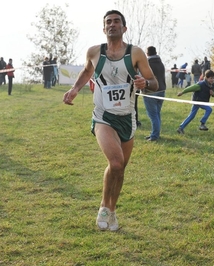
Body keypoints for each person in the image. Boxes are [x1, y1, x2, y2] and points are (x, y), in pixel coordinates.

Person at [62, 10, 158, 231]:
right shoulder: (95, 52)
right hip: (103, 116)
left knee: (120, 168)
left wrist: (145, 83)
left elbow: (155, 83)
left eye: (117, 22)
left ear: (124, 28)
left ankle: (112, 210)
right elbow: (87, 72)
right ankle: (104, 207)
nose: (112, 25)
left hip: (128, 117)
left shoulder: (136, 53)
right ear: (104, 29)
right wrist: (75, 89)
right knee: (115, 162)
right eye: (108, 22)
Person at [176, 70, 214, 134]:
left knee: (191, 116)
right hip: (197, 101)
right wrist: (182, 92)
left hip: (203, 101)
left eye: (213, 78)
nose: (212, 80)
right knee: (209, 109)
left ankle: (181, 128)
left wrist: (213, 94)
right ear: (206, 78)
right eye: (211, 78)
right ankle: (202, 124)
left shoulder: (211, 85)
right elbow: (190, 88)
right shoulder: (200, 85)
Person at [143, 46, 166, 141]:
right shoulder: (161, 63)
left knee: (153, 115)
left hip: (150, 91)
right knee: (157, 114)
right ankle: (155, 133)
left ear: (147, 53)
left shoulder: (146, 63)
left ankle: (154, 136)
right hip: (162, 90)